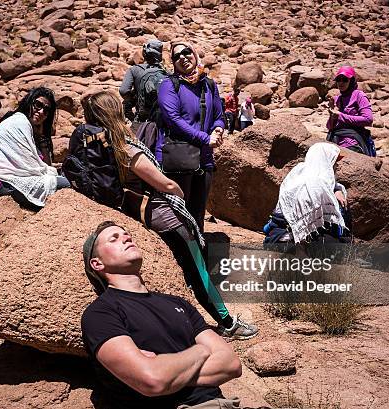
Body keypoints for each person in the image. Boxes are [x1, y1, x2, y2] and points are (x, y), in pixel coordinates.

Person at [72, 90, 257, 339]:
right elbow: (165, 184)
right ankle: (227, 322)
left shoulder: (103, 145)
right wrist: (179, 193)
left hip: (140, 212)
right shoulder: (125, 147)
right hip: (164, 216)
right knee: (199, 271)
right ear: (114, 112)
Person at [81, 220, 246, 409]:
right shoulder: (100, 314)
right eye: (114, 239)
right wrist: (202, 351)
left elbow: (231, 364)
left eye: (126, 234)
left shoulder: (178, 303)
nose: (126, 237)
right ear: (97, 263)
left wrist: (167, 370)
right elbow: (153, 381)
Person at [156, 41, 225, 231]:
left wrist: (218, 130)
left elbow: (219, 116)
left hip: (204, 160)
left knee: (197, 215)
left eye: (186, 52)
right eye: (177, 56)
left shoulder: (209, 85)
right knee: (177, 216)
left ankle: (197, 257)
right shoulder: (168, 85)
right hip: (178, 159)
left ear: (195, 54)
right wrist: (205, 138)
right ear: (173, 62)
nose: (183, 58)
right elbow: (174, 120)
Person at [0, 87, 69, 210]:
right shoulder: (20, 123)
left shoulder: (29, 129)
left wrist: (42, 139)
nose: (41, 112)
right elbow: (33, 168)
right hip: (3, 181)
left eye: (46, 110)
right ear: (29, 102)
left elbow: (44, 165)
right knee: (66, 183)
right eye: (38, 105)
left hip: (10, 178)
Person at [263, 143, 351, 247]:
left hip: (278, 236)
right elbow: (302, 223)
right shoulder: (313, 186)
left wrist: (337, 189)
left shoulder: (301, 172)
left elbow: (331, 185)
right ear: (325, 161)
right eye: (334, 162)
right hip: (291, 239)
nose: (337, 166)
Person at [326, 66, 374, 156]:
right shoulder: (337, 99)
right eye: (338, 80)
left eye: (344, 79)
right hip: (335, 140)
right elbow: (330, 127)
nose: (341, 82)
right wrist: (332, 115)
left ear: (351, 81)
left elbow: (368, 119)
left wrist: (340, 116)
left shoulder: (359, 96)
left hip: (352, 141)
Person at [119, 39, 165, 132]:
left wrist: (134, 98)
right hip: (163, 119)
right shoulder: (166, 72)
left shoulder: (134, 70)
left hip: (142, 120)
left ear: (144, 53)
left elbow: (123, 91)